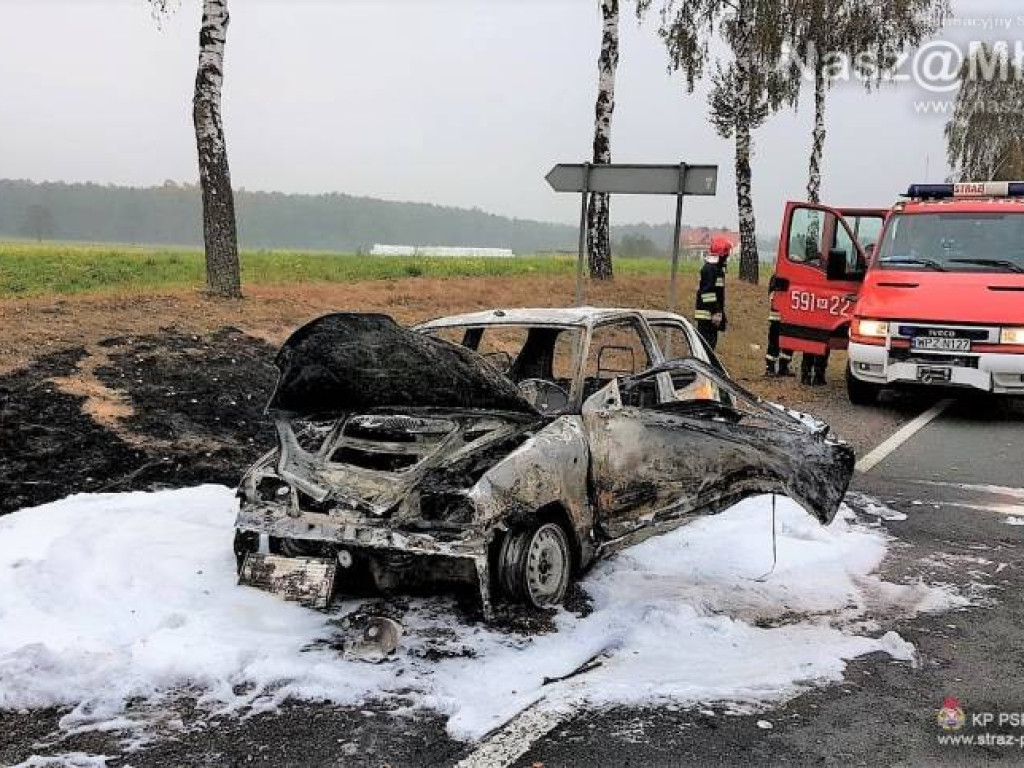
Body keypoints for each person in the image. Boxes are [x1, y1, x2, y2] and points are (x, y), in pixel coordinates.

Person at [694, 237, 731, 350]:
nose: (727, 257)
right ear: (722, 254)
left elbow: (717, 293)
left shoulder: (715, 269)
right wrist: (715, 311)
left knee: (709, 347)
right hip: (707, 316)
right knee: (706, 348)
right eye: (726, 254)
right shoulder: (711, 269)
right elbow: (708, 293)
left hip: (710, 315)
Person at [765, 277, 794, 377]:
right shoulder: (777, 277)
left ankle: (783, 367)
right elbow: (772, 296)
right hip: (777, 317)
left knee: (788, 343)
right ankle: (770, 367)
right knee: (774, 342)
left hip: (788, 317)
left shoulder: (793, 276)